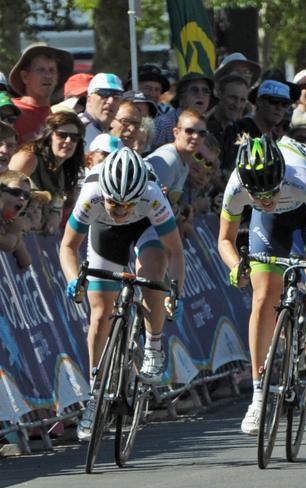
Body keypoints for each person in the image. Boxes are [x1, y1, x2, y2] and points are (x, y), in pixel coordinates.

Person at [217, 135, 306, 435]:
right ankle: (258, 394)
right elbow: (225, 240)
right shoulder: (236, 186)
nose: (265, 199)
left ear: (280, 177)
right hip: (270, 223)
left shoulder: (301, 178)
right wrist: (236, 266)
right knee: (263, 297)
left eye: (271, 190)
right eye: (257, 194)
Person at [58, 147, 185, 440]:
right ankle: (95, 396)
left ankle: (153, 344)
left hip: (146, 229)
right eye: (115, 203)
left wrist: (175, 291)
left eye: (128, 205)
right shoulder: (91, 194)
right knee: (101, 313)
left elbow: (175, 250)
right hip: (105, 233)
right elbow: (67, 246)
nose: (121, 211)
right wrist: (72, 279)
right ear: (104, 193)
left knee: (152, 275)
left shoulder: (153, 195)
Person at [9, 111, 85, 233]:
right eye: (62, 135)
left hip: (34, 238)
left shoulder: (63, 171)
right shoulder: (28, 159)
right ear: (49, 136)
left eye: (74, 137)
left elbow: (57, 208)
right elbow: (5, 195)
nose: (68, 141)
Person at [8, 43, 73, 144]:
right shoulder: (9, 112)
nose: (47, 76)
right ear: (25, 77)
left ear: (57, 79)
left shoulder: (60, 117)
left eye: (52, 70)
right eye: (41, 70)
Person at [146, 109, 207, 209]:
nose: (196, 136)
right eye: (189, 131)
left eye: (202, 133)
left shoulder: (184, 164)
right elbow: (149, 206)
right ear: (176, 132)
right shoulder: (167, 161)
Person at [80, 73, 124, 150]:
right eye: (104, 94)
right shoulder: (77, 129)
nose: (110, 101)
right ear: (89, 99)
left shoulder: (117, 136)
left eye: (116, 96)